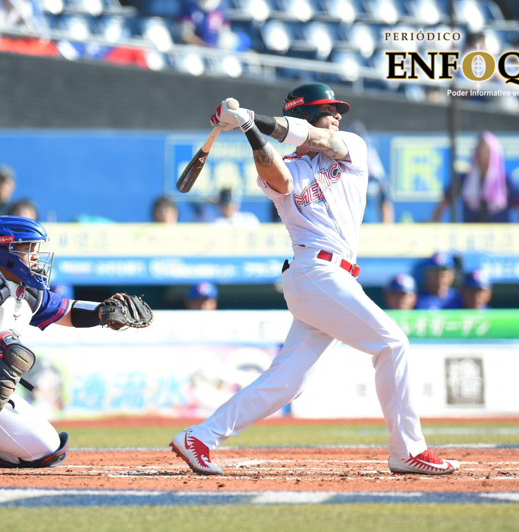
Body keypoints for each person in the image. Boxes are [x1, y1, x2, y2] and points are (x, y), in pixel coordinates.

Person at [169, 83, 458, 476]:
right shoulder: (288, 165)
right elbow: (280, 179)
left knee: (288, 380)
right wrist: (249, 129)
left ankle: (200, 437)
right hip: (314, 271)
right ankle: (407, 450)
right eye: (327, 110)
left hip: (331, 278)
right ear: (304, 114)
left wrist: (252, 118)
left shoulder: (350, 146)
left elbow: (320, 138)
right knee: (393, 344)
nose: (336, 116)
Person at [0, 216, 153, 471]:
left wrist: (103, 312)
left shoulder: (26, 291)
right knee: (9, 350)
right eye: (27, 248)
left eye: (35, 248)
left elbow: (68, 311)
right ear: (4, 249)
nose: (35, 256)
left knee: (47, 451)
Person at [432, 132, 519, 224]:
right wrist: (434, 223)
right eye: (478, 150)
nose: (481, 155)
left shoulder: (504, 180)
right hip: (472, 234)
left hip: (500, 235)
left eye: (486, 151)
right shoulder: (465, 179)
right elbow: (445, 201)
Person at [346, 120, 393, 224]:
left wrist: (388, 228)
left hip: (371, 229)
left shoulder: (377, 178)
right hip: (350, 229)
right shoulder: (342, 174)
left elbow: (385, 203)